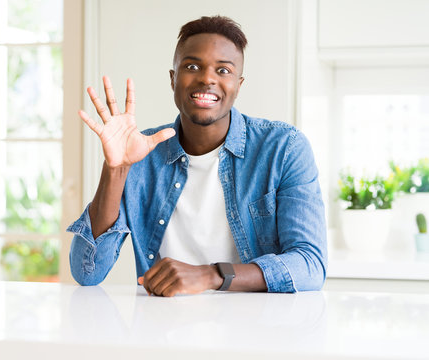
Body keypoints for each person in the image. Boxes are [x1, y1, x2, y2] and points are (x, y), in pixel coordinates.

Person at [67, 15, 327, 296]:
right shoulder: (141, 152)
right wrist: (115, 170)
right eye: (192, 66)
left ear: (239, 85)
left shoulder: (284, 148)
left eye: (223, 70)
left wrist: (211, 275)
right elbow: (87, 273)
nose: (206, 78)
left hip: (256, 330)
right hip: (157, 330)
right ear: (173, 79)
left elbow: (310, 265)